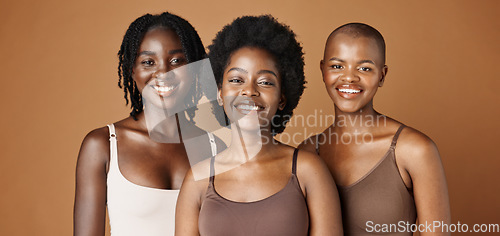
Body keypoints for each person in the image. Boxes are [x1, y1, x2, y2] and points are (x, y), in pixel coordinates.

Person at [175, 15, 343, 236]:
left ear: (282, 97)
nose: (249, 91)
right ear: (219, 93)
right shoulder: (198, 179)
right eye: (236, 80)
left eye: (265, 82)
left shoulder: (308, 170)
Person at [73, 12, 223, 236]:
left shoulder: (217, 147)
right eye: (148, 62)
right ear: (132, 70)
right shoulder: (103, 145)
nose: (163, 72)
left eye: (176, 61)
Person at [299, 23, 451, 235]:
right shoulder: (308, 151)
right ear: (323, 70)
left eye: (364, 68)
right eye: (337, 66)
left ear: (382, 75)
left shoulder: (414, 150)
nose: (349, 77)